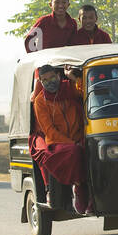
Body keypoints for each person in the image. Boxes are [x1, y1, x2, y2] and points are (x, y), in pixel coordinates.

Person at [30, 63, 90, 215]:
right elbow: (49, 130)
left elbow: (87, 93)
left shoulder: (70, 88)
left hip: (80, 136)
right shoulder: (40, 101)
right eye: (45, 80)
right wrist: (72, 143)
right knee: (74, 152)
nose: (50, 82)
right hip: (58, 142)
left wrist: (73, 78)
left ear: (58, 76)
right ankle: (78, 188)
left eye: (52, 77)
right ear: (41, 83)